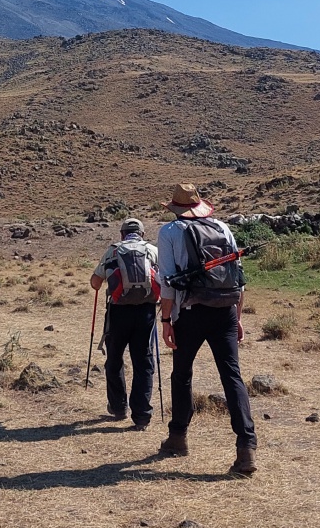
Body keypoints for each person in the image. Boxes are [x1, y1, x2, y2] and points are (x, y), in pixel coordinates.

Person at [156, 183, 258, 476]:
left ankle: (178, 438)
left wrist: (166, 321)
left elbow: (167, 282)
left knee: (182, 373)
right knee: (232, 376)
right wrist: (237, 317)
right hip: (225, 308)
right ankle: (246, 448)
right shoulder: (223, 228)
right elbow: (238, 277)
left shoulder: (170, 232)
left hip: (190, 312)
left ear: (175, 208)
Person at [90, 217, 160, 429]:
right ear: (142, 234)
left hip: (118, 312)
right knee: (143, 363)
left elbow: (95, 283)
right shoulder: (152, 250)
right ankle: (141, 416)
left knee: (114, 359)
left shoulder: (112, 251)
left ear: (122, 234)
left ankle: (118, 407)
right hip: (146, 312)